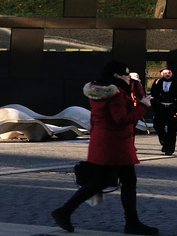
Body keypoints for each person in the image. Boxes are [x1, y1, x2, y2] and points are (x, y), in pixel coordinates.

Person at [51, 61, 157, 235]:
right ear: (116, 75)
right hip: (116, 144)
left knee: (98, 182)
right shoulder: (116, 94)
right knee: (128, 182)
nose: (128, 77)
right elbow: (122, 119)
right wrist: (144, 105)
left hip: (102, 142)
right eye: (126, 74)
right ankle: (132, 223)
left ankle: (64, 212)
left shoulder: (98, 91)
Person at [149, 67, 177, 155]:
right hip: (161, 108)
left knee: (172, 129)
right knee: (158, 126)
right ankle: (165, 142)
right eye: (165, 73)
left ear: (172, 73)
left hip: (173, 109)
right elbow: (153, 95)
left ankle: (169, 149)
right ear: (161, 74)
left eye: (169, 72)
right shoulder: (157, 83)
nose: (167, 74)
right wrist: (154, 106)